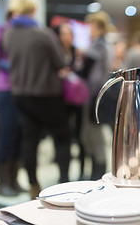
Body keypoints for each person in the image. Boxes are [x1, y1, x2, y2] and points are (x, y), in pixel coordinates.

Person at [3, 0, 71, 199]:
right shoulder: (43, 34)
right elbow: (60, 64)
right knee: (62, 137)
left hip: (20, 95)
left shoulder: (8, 34)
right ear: (33, 9)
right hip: (46, 95)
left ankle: (33, 184)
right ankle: (64, 183)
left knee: (29, 140)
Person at [79, 11, 111, 180]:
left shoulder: (97, 46)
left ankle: (97, 175)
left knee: (93, 135)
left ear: (97, 26)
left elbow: (84, 71)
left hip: (93, 96)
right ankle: (97, 172)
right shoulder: (105, 45)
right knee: (94, 135)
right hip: (99, 94)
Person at [53, 23, 86, 180]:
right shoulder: (54, 51)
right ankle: (63, 175)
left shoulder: (76, 52)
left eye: (69, 33)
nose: (66, 37)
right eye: (63, 33)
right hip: (60, 99)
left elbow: (82, 72)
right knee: (62, 135)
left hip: (76, 99)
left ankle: (81, 172)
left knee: (80, 135)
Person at [0, 11, 23, 197]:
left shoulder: (24, 36)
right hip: (5, 89)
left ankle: (14, 179)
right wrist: (12, 66)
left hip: (23, 89)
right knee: (6, 135)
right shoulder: (1, 32)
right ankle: (3, 182)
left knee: (18, 136)